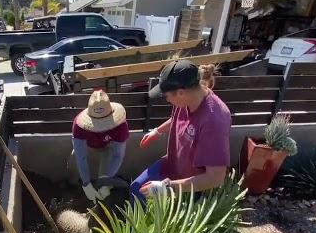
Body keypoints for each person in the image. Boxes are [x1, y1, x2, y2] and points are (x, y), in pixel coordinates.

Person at [130, 59, 231, 201]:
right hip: (172, 164)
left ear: (180, 92)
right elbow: (181, 118)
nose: (167, 100)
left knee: (158, 211)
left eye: (167, 96)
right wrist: (158, 131)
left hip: (191, 184)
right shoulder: (188, 97)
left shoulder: (214, 121)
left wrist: (168, 187)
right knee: (137, 188)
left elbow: (215, 178)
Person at [69, 89, 129, 202]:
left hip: (107, 149)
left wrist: (106, 179)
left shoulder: (120, 126)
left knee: (103, 181)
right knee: (73, 161)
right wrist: (86, 184)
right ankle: (72, 186)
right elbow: (80, 156)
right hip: (88, 147)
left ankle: (102, 200)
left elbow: (118, 155)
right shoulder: (79, 125)